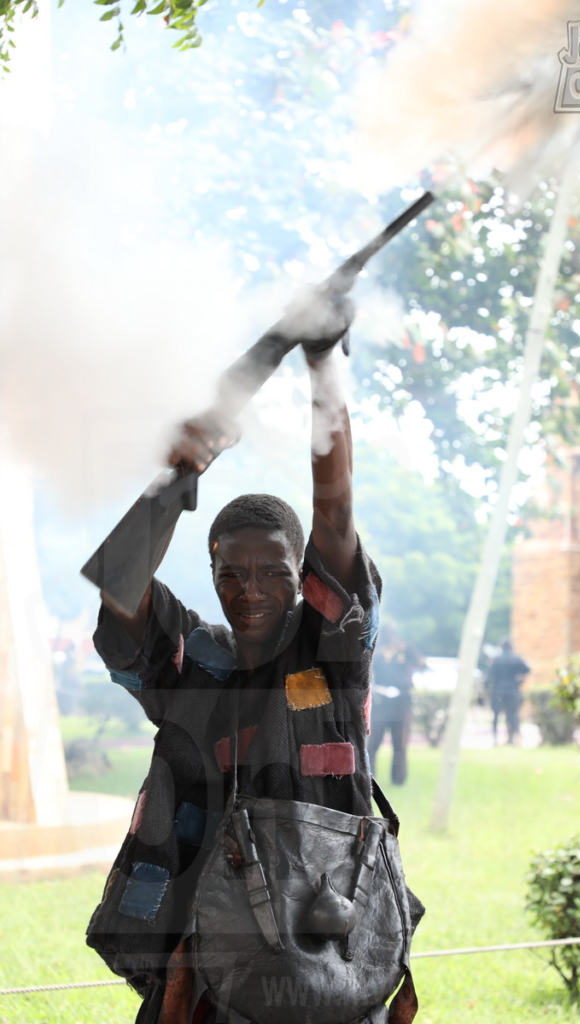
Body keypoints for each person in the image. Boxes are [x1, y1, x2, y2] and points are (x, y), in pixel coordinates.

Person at [85, 305, 390, 1023]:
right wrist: (181, 472)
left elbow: (336, 516)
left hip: (327, 948)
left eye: (273, 570)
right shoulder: (188, 664)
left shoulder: (330, 655)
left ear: (302, 574)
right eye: (231, 572)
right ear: (211, 570)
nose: (250, 589)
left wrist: (323, 366)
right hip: (201, 956)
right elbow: (118, 587)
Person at [367, 622, 424, 785]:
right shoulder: (376, 651)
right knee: (374, 742)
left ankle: (399, 779)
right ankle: (369, 777)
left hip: (402, 700)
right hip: (382, 701)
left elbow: (422, 663)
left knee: (400, 743)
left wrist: (408, 651)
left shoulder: (405, 649)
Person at [486, 639, 530, 746]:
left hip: (498, 690)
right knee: (513, 714)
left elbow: (489, 676)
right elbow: (527, 670)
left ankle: (495, 739)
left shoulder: (496, 659)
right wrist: (519, 679)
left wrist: (486, 688)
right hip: (513, 689)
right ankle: (514, 739)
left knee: (496, 715)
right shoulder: (516, 658)